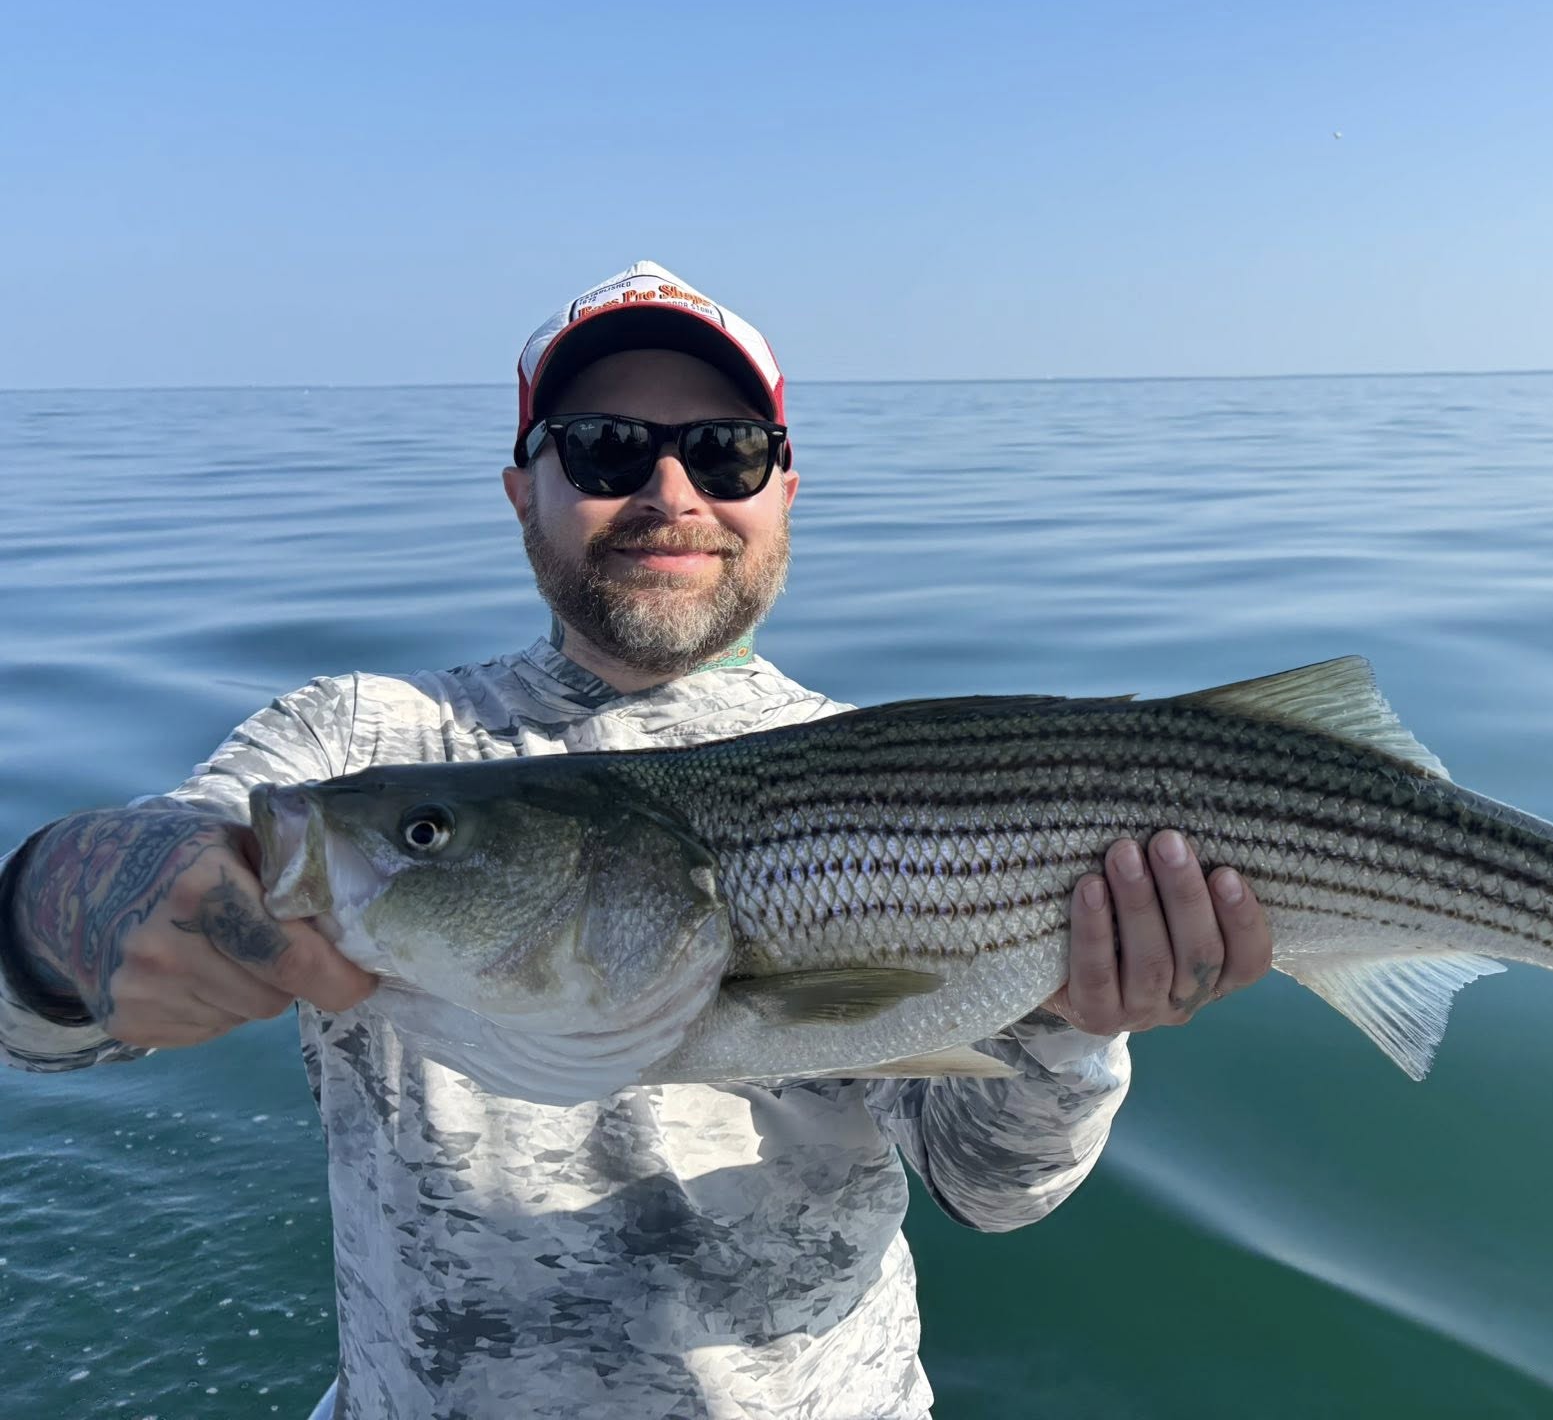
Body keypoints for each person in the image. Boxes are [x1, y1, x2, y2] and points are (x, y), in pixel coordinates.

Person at [0, 261, 1275, 1420]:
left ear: (784, 489)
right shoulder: (364, 751)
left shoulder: (907, 778)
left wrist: (1076, 1018)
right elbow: (50, 997)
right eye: (606, 448)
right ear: (523, 486)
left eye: (724, 451)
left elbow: (995, 1190)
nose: (670, 494)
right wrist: (84, 894)